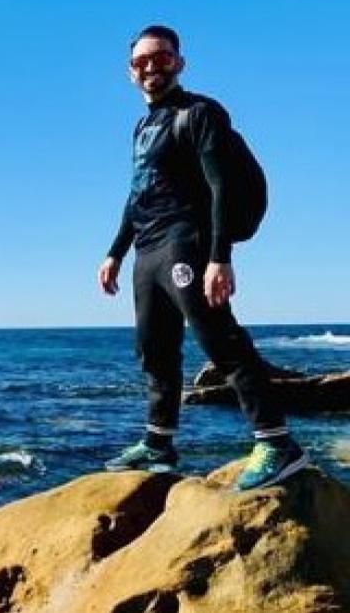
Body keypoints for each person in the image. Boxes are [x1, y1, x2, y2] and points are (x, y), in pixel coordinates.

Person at [97, 24, 307, 490]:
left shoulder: (201, 113)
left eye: (162, 58)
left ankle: (276, 442)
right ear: (130, 73)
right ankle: (158, 443)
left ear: (179, 63)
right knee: (154, 348)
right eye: (142, 61)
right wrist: (114, 251)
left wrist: (220, 255)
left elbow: (220, 185)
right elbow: (138, 192)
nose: (152, 67)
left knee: (219, 338)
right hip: (147, 248)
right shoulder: (142, 126)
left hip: (186, 240)